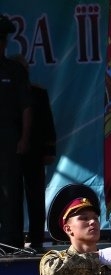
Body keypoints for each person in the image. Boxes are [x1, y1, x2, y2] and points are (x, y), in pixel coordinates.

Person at [15, 55, 55, 253]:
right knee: (11, 197)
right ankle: (12, 237)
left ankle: (37, 236)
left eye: (25, 68)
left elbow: (48, 123)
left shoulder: (38, 92)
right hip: (11, 153)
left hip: (35, 151)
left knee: (36, 196)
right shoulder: (6, 91)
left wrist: (50, 150)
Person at [0, 14, 31, 251]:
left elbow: (26, 107)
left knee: (11, 190)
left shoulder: (14, 70)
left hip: (9, 137)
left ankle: (11, 243)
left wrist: (24, 138)